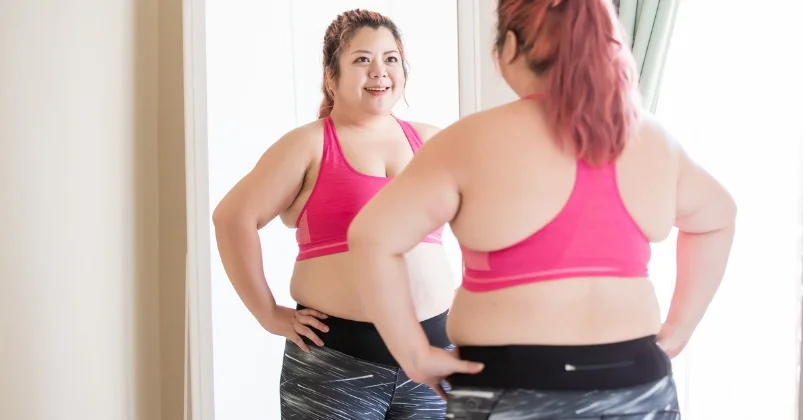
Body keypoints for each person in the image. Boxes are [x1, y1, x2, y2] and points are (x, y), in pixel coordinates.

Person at [347, 0, 737, 419]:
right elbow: (717, 216)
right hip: (638, 383)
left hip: (512, 387)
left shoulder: (471, 141)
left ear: (510, 46)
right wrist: (679, 328)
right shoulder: (650, 136)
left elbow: (372, 237)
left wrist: (414, 355)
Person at [212, 8, 456, 420]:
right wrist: (268, 313)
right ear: (331, 76)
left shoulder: (432, 142)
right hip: (336, 369)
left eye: (390, 58)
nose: (379, 71)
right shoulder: (307, 145)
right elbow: (232, 217)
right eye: (362, 59)